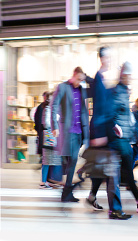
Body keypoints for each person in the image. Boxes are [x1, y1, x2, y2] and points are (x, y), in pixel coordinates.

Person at [88, 62, 138, 213]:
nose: (130, 79)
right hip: (118, 139)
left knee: (110, 171)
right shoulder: (117, 92)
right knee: (122, 171)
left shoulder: (122, 92)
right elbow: (111, 113)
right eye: (129, 76)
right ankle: (130, 203)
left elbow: (123, 116)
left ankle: (94, 196)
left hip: (122, 139)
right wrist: (115, 128)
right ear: (124, 75)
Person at [53, 67, 90, 203]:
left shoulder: (82, 89)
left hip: (81, 130)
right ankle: (67, 191)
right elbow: (54, 105)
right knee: (72, 159)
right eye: (78, 79)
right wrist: (54, 126)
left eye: (82, 80)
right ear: (73, 76)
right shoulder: (62, 87)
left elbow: (94, 91)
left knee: (72, 161)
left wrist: (88, 78)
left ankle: (66, 191)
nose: (79, 82)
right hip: (68, 130)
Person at [38, 92, 62, 189]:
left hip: (51, 137)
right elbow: (47, 123)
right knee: (47, 160)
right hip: (49, 137)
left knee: (51, 160)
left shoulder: (50, 109)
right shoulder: (48, 109)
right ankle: (43, 182)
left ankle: (48, 181)